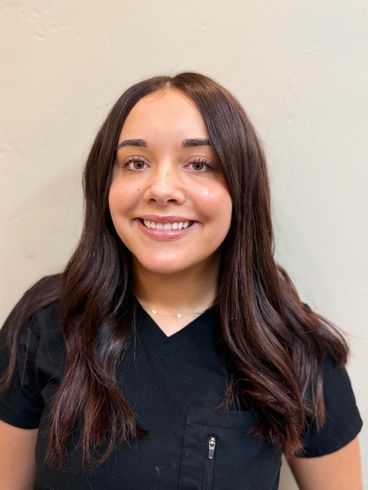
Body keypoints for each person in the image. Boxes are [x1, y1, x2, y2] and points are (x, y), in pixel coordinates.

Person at [0, 72, 363, 490]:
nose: (162, 189)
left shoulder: (295, 346)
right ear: (106, 183)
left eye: (199, 164)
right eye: (135, 162)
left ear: (241, 187)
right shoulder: (46, 320)